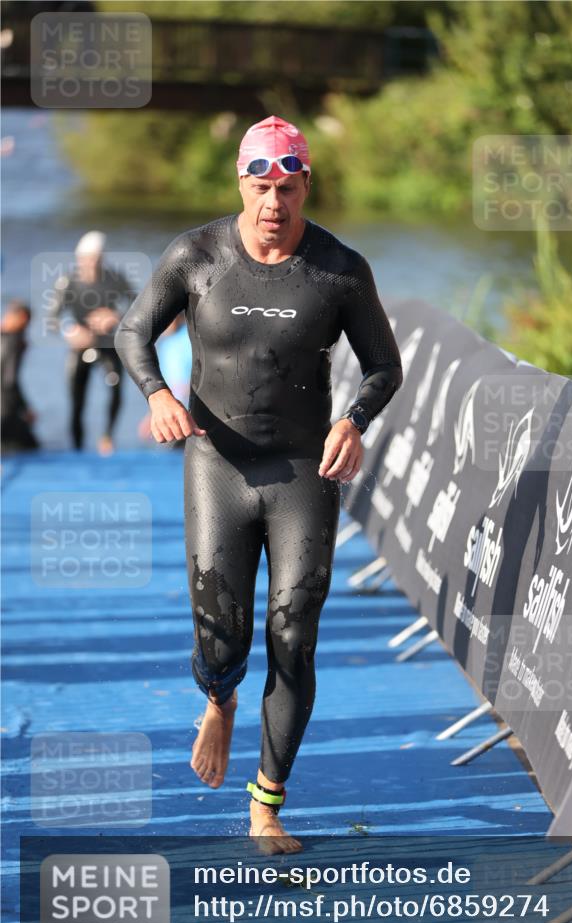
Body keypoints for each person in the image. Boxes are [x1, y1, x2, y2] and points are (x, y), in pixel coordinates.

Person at [115, 115, 403, 854]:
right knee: (223, 635)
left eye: (288, 185)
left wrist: (354, 421)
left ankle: (266, 804)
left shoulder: (338, 268)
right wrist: (157, 395)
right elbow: (131, 331)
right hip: (218, 466)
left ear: (307, 183)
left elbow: (382, 365)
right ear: (240, 181)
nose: (273, 200)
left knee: (293, 635)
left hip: (304, 472)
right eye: (260, 183)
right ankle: (218, 697)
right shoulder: (197, 255)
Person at [47, 230, 135, 455]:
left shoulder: (114, 278)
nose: (91, 264)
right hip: (80, 346)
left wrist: (115, 316)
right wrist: (70, 329)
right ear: (79, 259)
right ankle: (77, 447)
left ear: (102, 258)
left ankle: (107, 437)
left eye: (96, 259)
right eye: (86, 259)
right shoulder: (67, 282)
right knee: (77, 399)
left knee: (116, 388)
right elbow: (51, 318)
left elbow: (138, 306)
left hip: (108, 344)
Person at [137, 313, 191, 447]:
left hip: (189, 408)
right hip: (174, 406)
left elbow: (187, 381)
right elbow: (164, 385)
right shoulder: (166, 343)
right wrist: (153, 413)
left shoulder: (189, 337)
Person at [1, 300, 39, 453]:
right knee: (31, 448)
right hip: (6, 412)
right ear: (23, 318)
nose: (4, 318)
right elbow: (9, 381)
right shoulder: (14, 341)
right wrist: (25, 408)